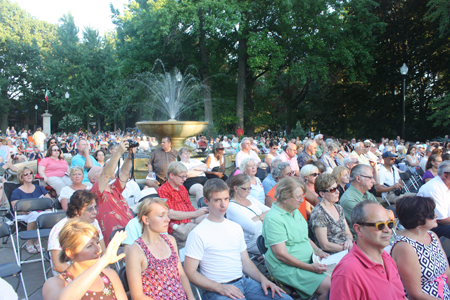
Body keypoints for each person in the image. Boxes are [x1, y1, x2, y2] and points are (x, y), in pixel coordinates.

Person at [184, 178, 290, 300]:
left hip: (244, 282)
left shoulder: (235, 227)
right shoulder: (198, 233)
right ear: (206, 201)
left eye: (226, 199)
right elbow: (190, 272)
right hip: (216, 289)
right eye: (217, 200)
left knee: (284, 298)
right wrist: (220, 288)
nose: (223, 205)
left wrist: (264, 280)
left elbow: (245, 262)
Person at [262, 177, 330, 300]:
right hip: (287, 268)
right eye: (298, 197)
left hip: (309, 261)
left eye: (302, 196)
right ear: (285, 197)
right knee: (330, 287)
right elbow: (281, 255)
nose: (302, 200)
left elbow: (304, 238)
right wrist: (310, 268)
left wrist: (319, 251)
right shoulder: (274, 218)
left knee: (342, 277)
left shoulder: (294, 210)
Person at [330, 200, 405, 300]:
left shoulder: (386, 257)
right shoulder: (347, 273)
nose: (388, 230)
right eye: (380, 225)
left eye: (390, 224)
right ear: (359, 229)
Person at [126, 198, 195, 300]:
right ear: (146, 220)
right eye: (161, 216)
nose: (167, 219)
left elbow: (181, 274)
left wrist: (191, 297)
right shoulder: (136, 251)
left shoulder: (170, 241)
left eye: (167, 215)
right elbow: (137, 296)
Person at [42, 220, 127, 300]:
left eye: (97, 242)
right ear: (70, 253)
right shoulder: (55, 283)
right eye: (89, 246)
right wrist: (103, 261)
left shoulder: (109, 275)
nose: (99, 250)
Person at [391, 196, 450, 300]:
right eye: (431, 214)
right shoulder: (405, 247)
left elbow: (447, 272)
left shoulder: (432, 235)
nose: (436, 215)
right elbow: (415, 294)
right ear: (418, 220)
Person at [48, 190, 106, 275]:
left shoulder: (94, 223)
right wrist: (87, 275)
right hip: (71, 276)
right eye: (90, 209)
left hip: (93, 270)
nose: (95, 212)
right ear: (76, 211)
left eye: (95, 207)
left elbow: (103, 252)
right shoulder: (60, 230)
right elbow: (58, 265)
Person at [91, 140, 134, 246]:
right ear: (92, 179)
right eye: (98, 171)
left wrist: (130, 154)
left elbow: (124, 172)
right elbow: (105, 175)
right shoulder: (95, 192)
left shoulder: (114, 188)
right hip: (117, 238)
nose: (102, 170)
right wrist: (118, 153)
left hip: (132, 232)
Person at [157, 161, 208, 247]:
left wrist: (199, 211)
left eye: (185, 176)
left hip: (190, 219)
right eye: (182, 177)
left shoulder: (182, 187)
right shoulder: (163, 190)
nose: (184, 179)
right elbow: (169, 214)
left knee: (213, 219)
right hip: (178, 225)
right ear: (171, 175)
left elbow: (187, 206)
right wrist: (196, 213)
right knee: (204, 231)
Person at [11, 167, 53, 253]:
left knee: (46, 214)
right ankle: (29, 242)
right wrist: (24, 211)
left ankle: (38, 242)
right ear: (21, 177)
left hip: (39, 212)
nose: (29, 175)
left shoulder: (39, 188)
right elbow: (15, 208)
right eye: (25, 174)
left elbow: (50, 202)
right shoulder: (16, 192)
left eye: (30, 173)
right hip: (24, 214)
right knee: (34, 215)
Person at [227, 174, 270, 254]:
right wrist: (264, 217)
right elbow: (253, 229)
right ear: (236, 188)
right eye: (245, 189)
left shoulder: (250, 198)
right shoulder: (232, 207)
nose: (249, 191)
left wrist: (257, 218)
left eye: (250, 188)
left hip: (264, 234)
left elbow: (270, 211)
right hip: (252, 242)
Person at [310, 174, 353, 253]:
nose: (337, 192)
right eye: (333, 190)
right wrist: (348, 249)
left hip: (346, 250)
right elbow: (325, 245)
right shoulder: (319, 213)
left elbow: (348, 233)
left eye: (338, 188)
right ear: (322, 194)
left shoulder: (338, 208)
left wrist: (349, 241)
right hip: (332, 255)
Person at [339, 164, 378, 235]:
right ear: (358, 178)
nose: (373, 181)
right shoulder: (349, 199)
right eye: (370, 177)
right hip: (364, 240)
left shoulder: (368, 194)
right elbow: (372, 222)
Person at [417, 161, 450, 239]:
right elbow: (440, 219)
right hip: (428, 226)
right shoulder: (434, 189)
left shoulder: (444, 186)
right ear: (445, 176)